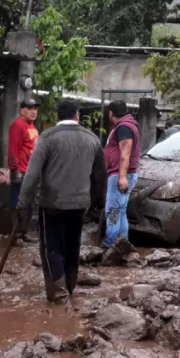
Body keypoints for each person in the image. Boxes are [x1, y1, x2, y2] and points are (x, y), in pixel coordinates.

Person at [17, 100, 107, 302]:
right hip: (80, 205)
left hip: (52, 204)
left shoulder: (47, 138)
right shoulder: (92, 139)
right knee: (73, 246)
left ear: (58, 115)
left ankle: (58, 294)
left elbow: (31, 175)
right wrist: (99, 202)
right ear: (77, 115)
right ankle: (70, 287)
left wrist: (22, 203)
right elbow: (101, 176)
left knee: (52, 248)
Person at [103, 100, 140, 249]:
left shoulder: (123, 127)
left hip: (120, 175)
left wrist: (122, 177)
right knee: (121, 211)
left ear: (111, 113)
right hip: (126, 174)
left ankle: (110, 245)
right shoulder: (128, 125)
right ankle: (123, 245)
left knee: (112, 210)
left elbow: (125, 153)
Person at [8, 99, 40, 242]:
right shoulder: (18, 125)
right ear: (22, 110)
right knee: (18, 202)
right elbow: (13, 149)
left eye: (35, 108)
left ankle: (23, 233)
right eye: (30, 108)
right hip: (21, 171)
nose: (34, 111)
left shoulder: (31, 125)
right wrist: (15, 170)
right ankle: (15, 236)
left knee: (30, 203)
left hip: (31, 171)